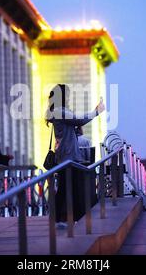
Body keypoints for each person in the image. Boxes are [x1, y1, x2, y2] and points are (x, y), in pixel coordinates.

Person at [45, 84, 105, 227]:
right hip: (68, 156)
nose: (69, 97)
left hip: (67, 155)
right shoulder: (60, 111)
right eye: (67, 95)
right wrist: (96, 111)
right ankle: (60, 219)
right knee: (67, 188)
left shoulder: (58, 111)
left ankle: (64, 218)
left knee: (67, 188)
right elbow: (79, 120)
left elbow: (71, 127)